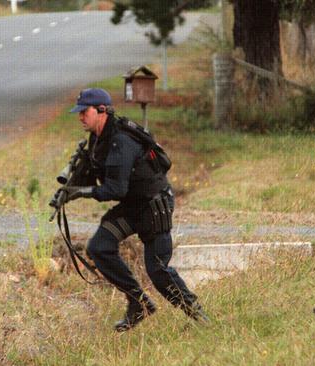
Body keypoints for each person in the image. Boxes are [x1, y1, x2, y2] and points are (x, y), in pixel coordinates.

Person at [62, 88, 208, 331]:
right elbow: (97, 174)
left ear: (101, 111)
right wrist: (69, 190)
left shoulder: (122, 140)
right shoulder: (98, 138)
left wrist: (83, 193)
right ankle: (139, 303)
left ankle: (199, 316)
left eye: (84, 112)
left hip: (153, 207)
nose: (80, 117)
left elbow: (115, 189)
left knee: (158, 271)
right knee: (99, 247)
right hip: (132, 206)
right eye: (79, 113)